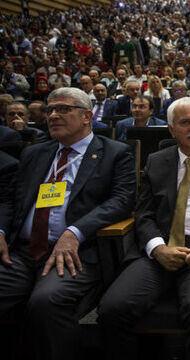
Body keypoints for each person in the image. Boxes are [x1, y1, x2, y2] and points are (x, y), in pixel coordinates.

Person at [98, 96, 190, 360]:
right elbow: (144, 214)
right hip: (161, 251)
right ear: (171, 129)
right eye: (185, 122)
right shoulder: (156, 161)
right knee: (112, 307)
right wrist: (157, 248)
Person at [0, 87, 136, 360]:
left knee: (45, 301)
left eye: (63, 109)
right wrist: (1, 230)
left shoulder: (114, 153)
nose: (53, 115)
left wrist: (75, 232)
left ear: (87, 116)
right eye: (50, 110)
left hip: (76, 253)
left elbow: (122, 201)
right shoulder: (34, 154)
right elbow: (11, 200)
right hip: (23, 251)